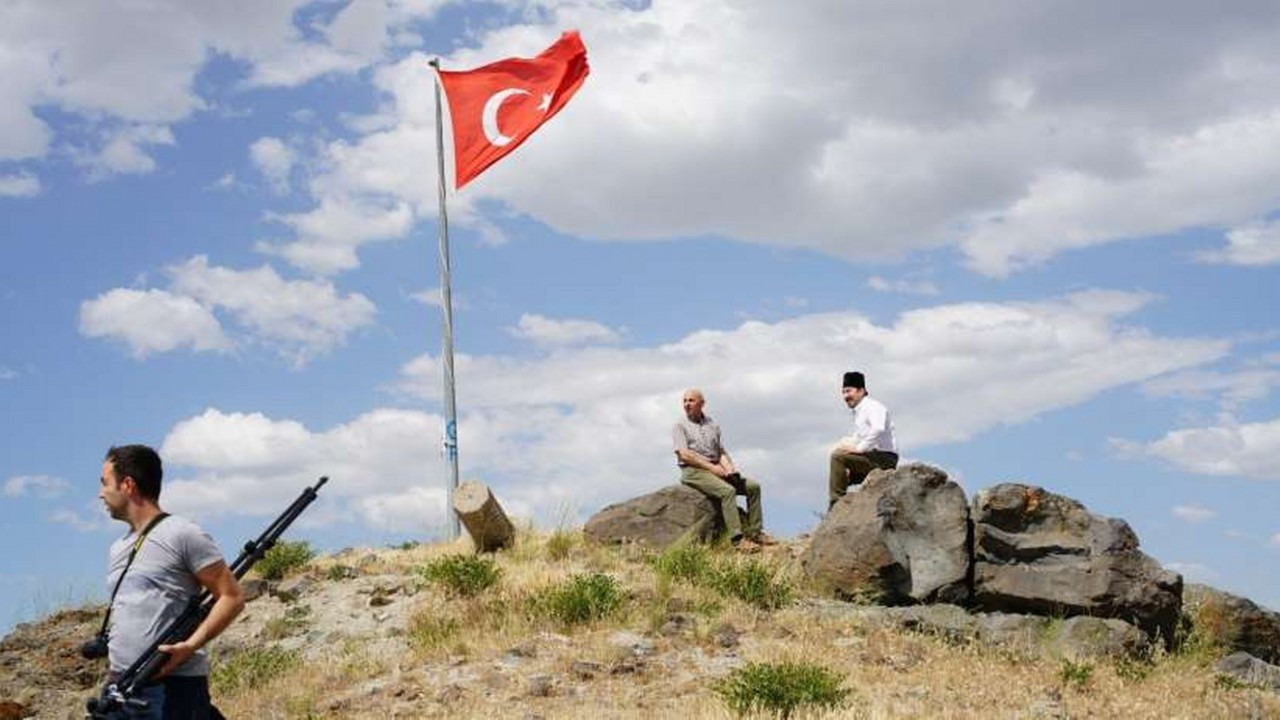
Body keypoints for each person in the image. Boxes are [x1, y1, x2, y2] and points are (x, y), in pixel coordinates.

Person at [96, 444, 244, 719]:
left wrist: (190, 646)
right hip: (121, 686)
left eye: (105, 483)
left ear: (127, 484)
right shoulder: (117, 547)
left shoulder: (182, 534)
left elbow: (231, 597)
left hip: (174, 687)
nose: (100, 493)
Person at [672, 389, 776, 551]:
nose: (686, 404)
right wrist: (712, 468)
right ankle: (737, 539)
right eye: (684, 401)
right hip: (693, 471)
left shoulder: (712, 424)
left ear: (702, 403)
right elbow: (684, 455)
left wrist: (730, 469)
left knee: (753, 487)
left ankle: (756, 532)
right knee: (727, 492)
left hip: (716, 468)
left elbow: (720, 452)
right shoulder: (680, 426)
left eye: (691, 400)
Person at [828, 371, 898, 510]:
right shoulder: (859, 411)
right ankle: (847, 511)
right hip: (872, 457)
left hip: (884, 459)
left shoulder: (873, 406)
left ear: (861, 391)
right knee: (840, 476)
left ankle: (836, 506)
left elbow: (878, 429)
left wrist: (859, 450)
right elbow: (858, 437)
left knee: (837, 458)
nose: (846, 396)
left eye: (849, 391)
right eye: (843, 392)